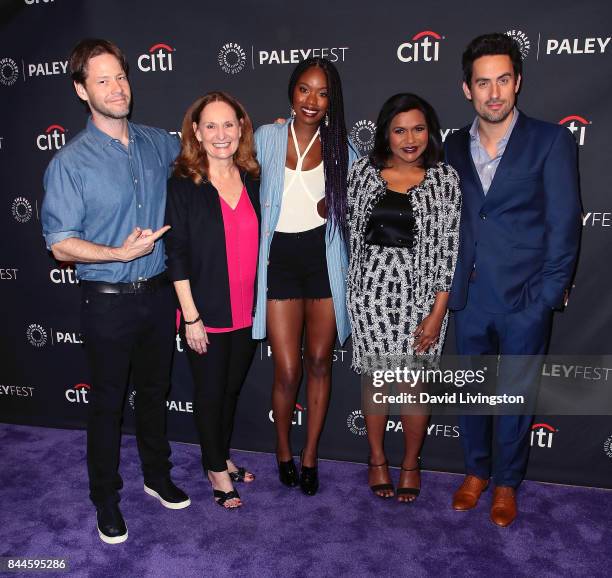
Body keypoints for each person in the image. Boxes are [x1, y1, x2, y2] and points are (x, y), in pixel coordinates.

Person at [41, 39, 189, 545]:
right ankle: (105, 497)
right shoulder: (70, 163)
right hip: (106, 300)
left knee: (154, 394)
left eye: (120, 76)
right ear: (82, 91)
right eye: (102, 80)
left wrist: (268, 133)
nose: (116, 87)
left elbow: (209, 153)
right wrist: (116, 254)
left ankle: (156, 475)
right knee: (107, 404)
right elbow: (60, 245)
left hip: (158, 294)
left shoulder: (158, 143)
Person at [445, 33, 581, 526]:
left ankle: (506, 483)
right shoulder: (452, 145)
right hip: (470, 296)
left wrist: (547, 295)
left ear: (517, 82)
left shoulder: (550, 140)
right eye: (484, 83)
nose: (494, 92)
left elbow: (564, 222)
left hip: (526, 297)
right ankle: (476, 473)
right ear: (468, 89)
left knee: (513, 397)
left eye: (503, 80)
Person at [346, 93, 461, 503]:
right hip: (369, 294)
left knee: (413, 386)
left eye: (417, 128)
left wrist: (437, 312)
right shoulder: (361, 172)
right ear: (386, 134)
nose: (409, 139)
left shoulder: (445, 179)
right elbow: (338, 217)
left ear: (429, 132)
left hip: (421, 296)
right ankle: (377, 460)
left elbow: (449, 250)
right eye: (399, 130)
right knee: (378, 382)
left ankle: (410, 463)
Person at [252, 57, 358, 495]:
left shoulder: (342, 149)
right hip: (281, 263)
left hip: (323, 260)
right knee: (288, 369)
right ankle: (281, 447)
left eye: (321, 92)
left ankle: (310, 454)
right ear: (291, 93)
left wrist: (334, 208)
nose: (311, 100)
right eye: (304, 89)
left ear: (331, 100)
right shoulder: (267, 137)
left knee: (318, 362)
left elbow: (358, 208)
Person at [165, 92, 260, 509]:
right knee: (209, 394)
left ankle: (221, 454)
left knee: (230, 392)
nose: (221, 134)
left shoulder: (254, 179)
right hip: (205, 312)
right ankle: (216, 471)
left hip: (248, 311)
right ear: (196, 133)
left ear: (241, 129)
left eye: (228, 125)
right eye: (211, 126)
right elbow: (177, 254)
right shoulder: (184, 186)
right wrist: (191, 317)